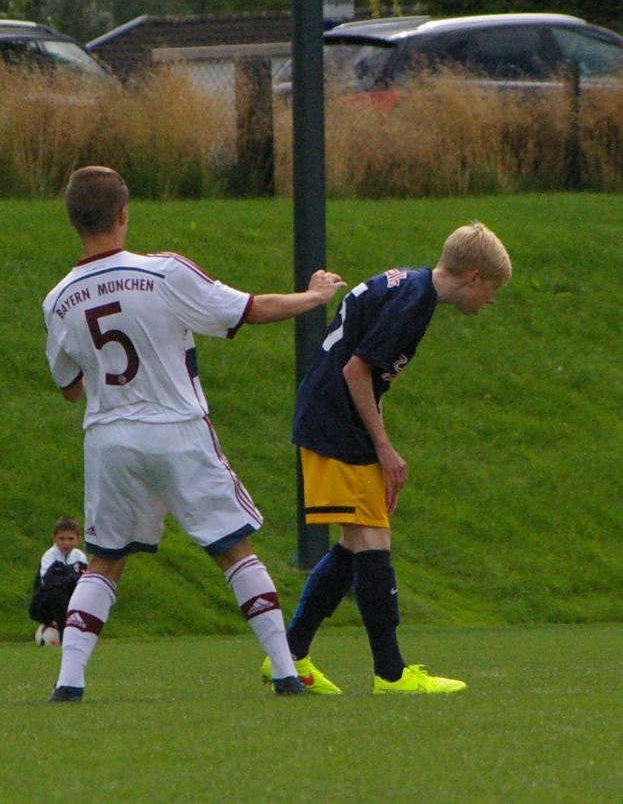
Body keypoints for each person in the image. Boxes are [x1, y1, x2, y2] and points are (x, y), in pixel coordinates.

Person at [42, 165, 345, 702]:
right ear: (123, 215)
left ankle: (68, 683)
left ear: (72, 221)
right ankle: (284, 672)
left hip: (109, 439)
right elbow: (249, 310)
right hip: (177, 429)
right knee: (234, 550)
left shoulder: (58, 299)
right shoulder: (163, 272)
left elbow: (69, 388)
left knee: (105, 561)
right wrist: (313, 297)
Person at [261, 221, 512, 695]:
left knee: (358, 541)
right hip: (335, 421)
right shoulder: (415, 301)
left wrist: (382, 445)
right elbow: (356, 371)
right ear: (473, 276)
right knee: (372, 540)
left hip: (335, 417)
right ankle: (391, 674)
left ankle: (289, 654)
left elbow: (369, 377)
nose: (491, 300)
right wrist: (383, 447)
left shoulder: (411, 285)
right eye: (492, 289)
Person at [29, 517, 88, 640]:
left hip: (70, 601)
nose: (66, 543)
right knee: (57, 592)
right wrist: (73, 578)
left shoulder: (80, 557)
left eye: (70, 539)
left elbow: (85, 581)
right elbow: (49, 583)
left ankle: (88, 632)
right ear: (54, 538)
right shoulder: (49, 557)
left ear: (78, 539)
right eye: (61, 538)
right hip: (44, 605)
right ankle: (64, 635)